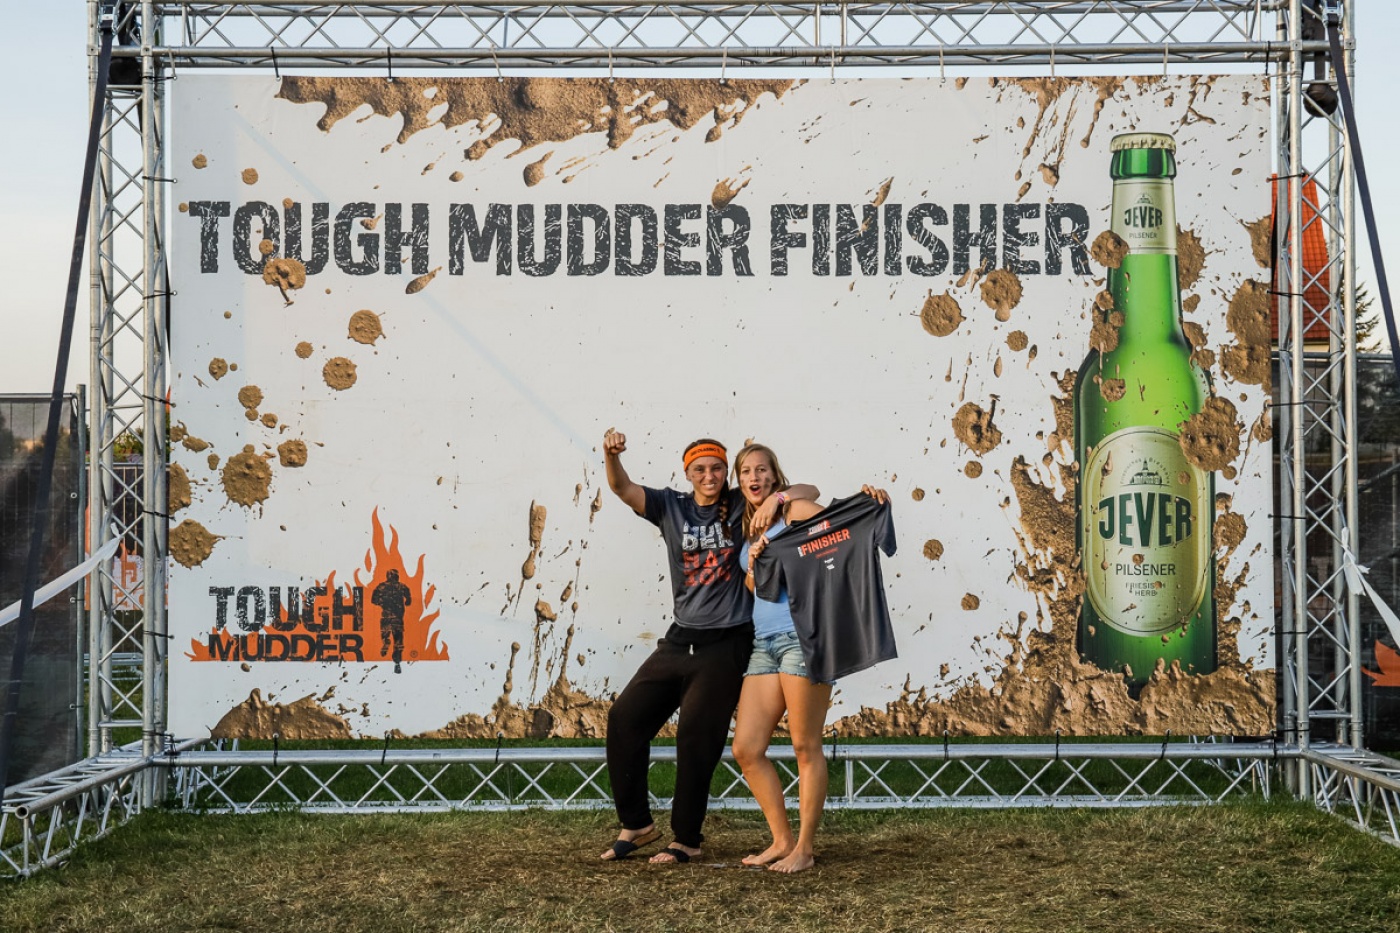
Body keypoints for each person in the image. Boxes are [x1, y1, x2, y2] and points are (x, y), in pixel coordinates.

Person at [598, 430, 817, 864]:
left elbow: (806, 491)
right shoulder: (671, 506)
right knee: (625, 719)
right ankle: (637, 824)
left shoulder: (739, 503)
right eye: (700, 469)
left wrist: (776, 499)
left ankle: (686, 839)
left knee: (696, 736)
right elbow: (622, 488)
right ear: (688, 473)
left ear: (726, 472)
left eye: (717, 468)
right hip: (681, 637)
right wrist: (610, 454)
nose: (710, 475)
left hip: (727, 641)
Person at [728, 442, 888, 873]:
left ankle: (804, 848)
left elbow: (830, 518)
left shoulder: (791, 511)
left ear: (774, 475)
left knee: (804, 744)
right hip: (765, 644)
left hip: (803, 638)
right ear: (739, 480)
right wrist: (754, 565)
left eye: (762, 469)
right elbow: (758, 588)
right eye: (746, 471)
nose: (754, 477)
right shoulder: (749, 527)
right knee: (746, 748)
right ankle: (781, 840)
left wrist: (867, 504)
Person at [371, 568, 412, 674]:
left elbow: (373, 600)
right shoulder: (401, 586)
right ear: (396, 576)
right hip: (398, 618)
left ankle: (386, 642)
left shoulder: (381, 586)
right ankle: (397, 662)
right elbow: (408, 598)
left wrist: (382, 602)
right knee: (398, 640)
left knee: (384, 633)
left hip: (386, 616)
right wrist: (406, 601)